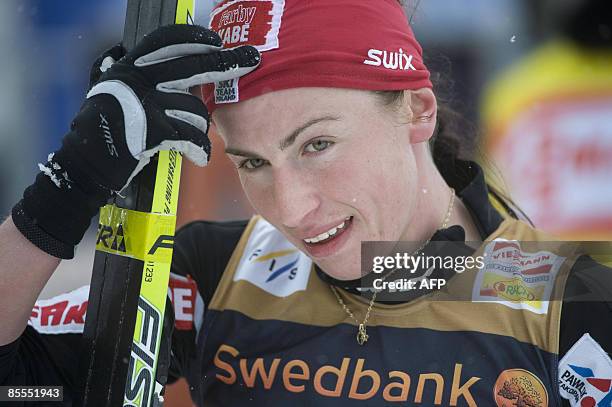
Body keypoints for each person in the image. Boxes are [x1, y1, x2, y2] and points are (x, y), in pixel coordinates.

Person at [1, 1, 611, 406]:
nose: (288, 207)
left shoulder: (572, 299)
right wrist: (68, 187)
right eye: (252, 163)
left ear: (417, 109)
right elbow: (16, 383)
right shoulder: (215, 275)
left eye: (317, 144)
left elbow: (449, 272)